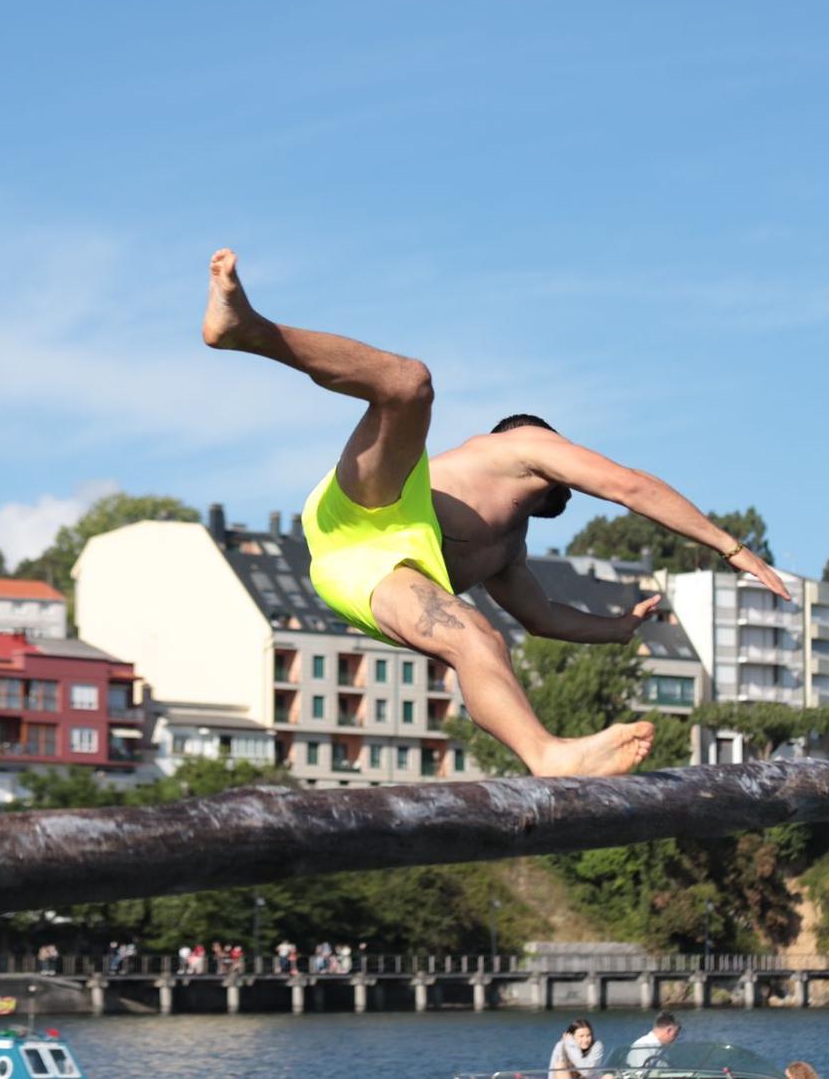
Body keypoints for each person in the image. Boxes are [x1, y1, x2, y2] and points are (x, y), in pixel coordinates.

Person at [204, 249, 791, 777]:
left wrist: (618, 630)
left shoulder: (506, 549)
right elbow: (627, 487)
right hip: (372, 506)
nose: (567, 472)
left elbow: (542, 618)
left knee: (478, 638)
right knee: (408, 383)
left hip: (363, 574)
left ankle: (548, 756)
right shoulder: (522, 446)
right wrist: (730, 547)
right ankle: (248, 330)